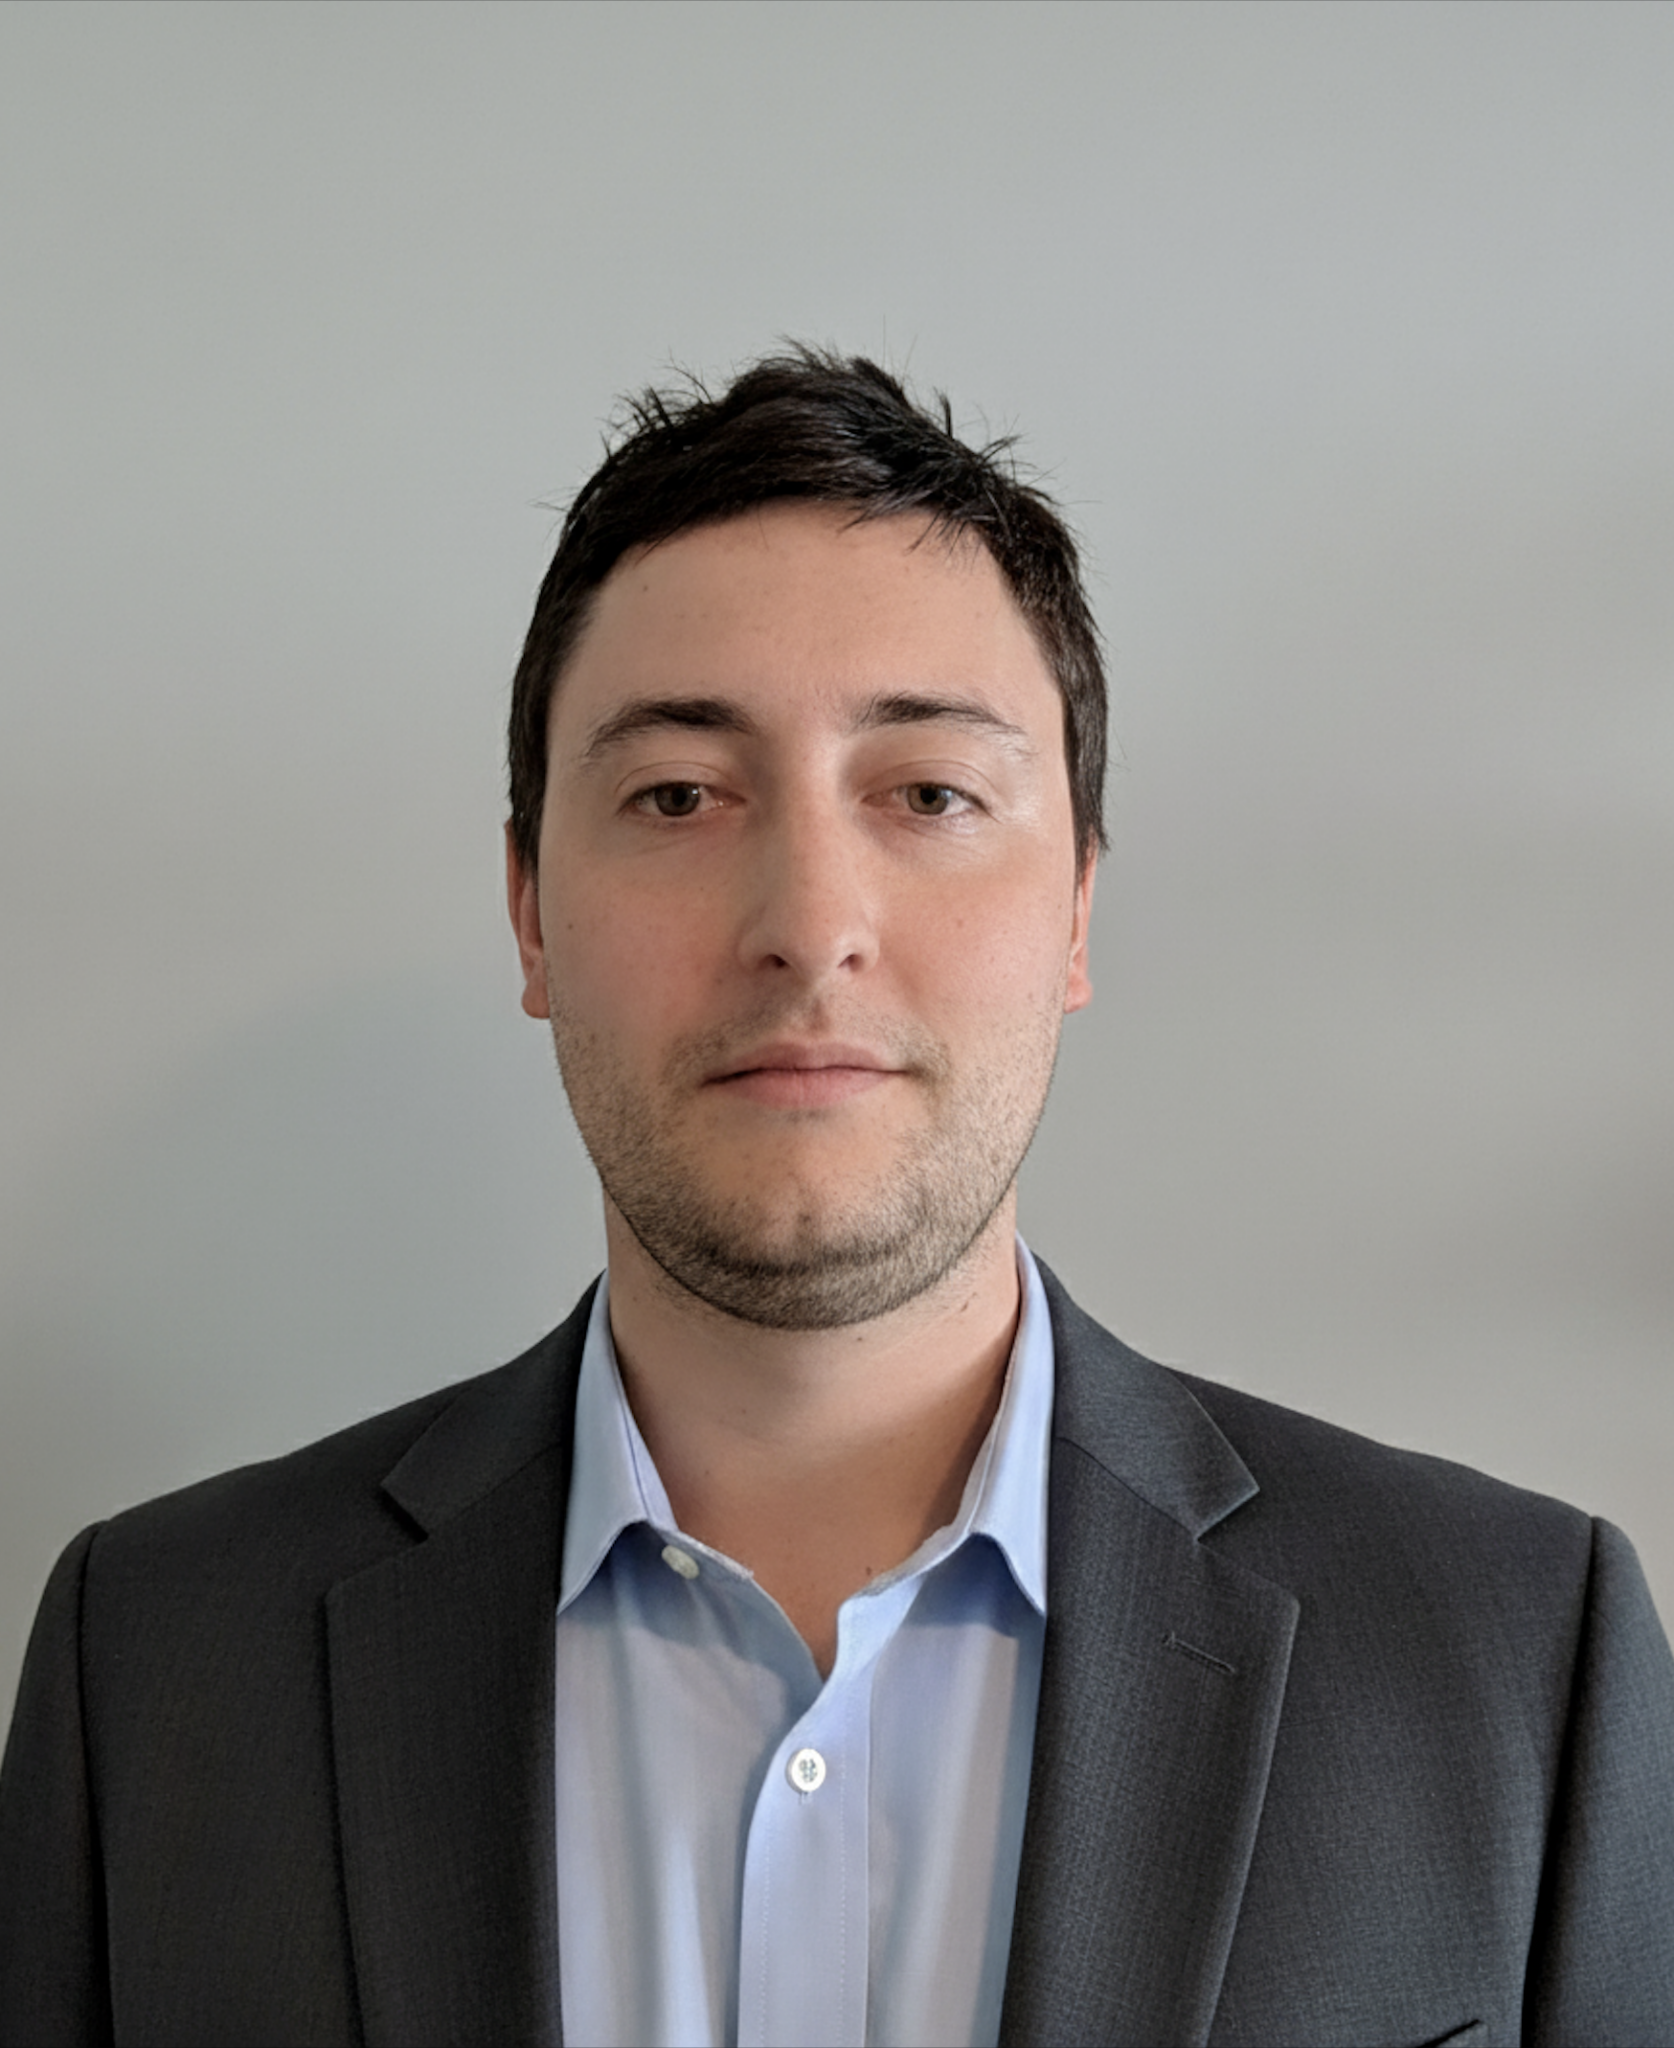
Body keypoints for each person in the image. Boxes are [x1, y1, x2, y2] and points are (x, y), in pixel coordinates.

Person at [2, 348, 1671, 2048]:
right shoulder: (155, 1665)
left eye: (929, 794)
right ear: (529, 913)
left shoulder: (1519, 1652)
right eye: (676, 795)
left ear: (1076, 911)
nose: (808, 924)